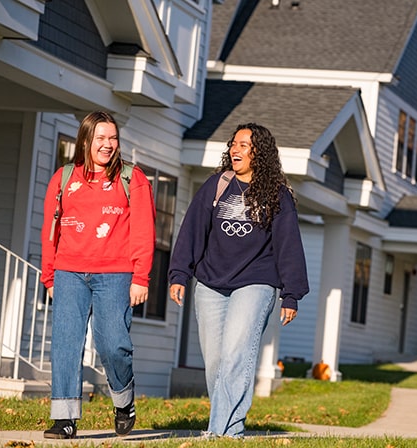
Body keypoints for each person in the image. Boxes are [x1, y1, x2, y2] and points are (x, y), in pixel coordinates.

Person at [168, 122, 309, 438]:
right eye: (234, 143)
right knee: (217, 362)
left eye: (244, 144)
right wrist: (179, 273)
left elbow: (288, 244)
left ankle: (217, 433)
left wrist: (291, 293)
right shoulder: (217, 185)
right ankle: (232, 430)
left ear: (260, 152)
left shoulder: (277, 195)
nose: (236, 149)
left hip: (256, 281)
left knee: (236, 354)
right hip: (210, 282)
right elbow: (192, 230)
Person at [40, 111, 156, 439]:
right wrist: (49, 277)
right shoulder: (64, 178)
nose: (107, 145)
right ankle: (64, 418)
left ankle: (123, 401)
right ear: (86, 140)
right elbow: (50, 231)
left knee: (113, 344)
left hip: (116, 273)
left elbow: (144, 231)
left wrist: (141, 277)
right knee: (65, 343)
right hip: (69, 272)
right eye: (100, 138)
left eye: (113, 138)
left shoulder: (132, 179)